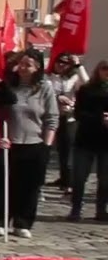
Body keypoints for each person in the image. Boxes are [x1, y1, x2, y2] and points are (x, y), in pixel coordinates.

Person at [0, 48, 60, 238]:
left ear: (37, 68)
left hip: (34, 142)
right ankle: (0, 220)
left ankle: (23, 222)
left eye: (27, 65)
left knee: (29, 186)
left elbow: (51, 118)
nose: (22, 68)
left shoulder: (44, 87)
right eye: (20, 63)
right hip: (8, 142)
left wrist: (46, 145)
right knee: (3, 183)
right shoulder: (8, 86)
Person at [69, 59, 108, 221]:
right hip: (86, 139)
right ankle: (76, 209)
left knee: (105, 179)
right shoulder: (86, 90)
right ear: (98, 70)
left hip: (106, 142)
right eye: (105, 68)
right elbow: (78, 113)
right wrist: (100, 118)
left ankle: (101, 210)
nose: (107, 72)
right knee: (79, 177)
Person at [49, 52, 88, 192]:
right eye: (59, 61)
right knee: (58, 150)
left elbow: (87, 83)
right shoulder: (49, 78)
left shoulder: (74, 78)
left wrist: (78, 65)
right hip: (53, 116)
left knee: (68, 149)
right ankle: (63, 177)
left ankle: (69, 181)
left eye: (65, 62)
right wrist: (57, 97)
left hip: (69, 117)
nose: (61, 64)